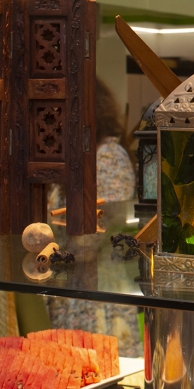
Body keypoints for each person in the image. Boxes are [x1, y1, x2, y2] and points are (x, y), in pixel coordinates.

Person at [45, 78, 142, 358]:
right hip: (74, 292)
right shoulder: (80, 159)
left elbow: (90, 239)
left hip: (99, 295)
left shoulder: (109, 158)